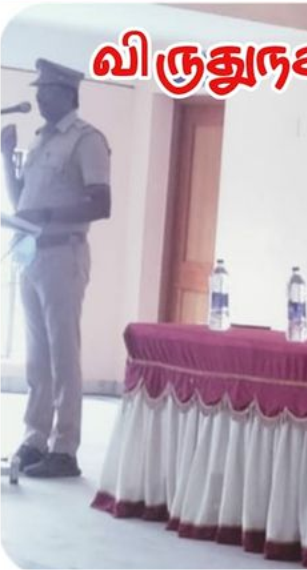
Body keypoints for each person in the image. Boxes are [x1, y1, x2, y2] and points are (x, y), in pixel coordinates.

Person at [2, 59, 111, 478]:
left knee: (63, 352)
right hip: (32, 253)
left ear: (67, 93)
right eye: (38, 90)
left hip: (64, 255)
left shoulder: (87, 140)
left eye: (45, 90)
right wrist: (6, 157)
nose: (38, 97)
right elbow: (22, 203)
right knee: (37, 355)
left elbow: (101, 203)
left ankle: (65, 448)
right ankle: (35, 438)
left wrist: (48, 214)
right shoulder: (41, 141)